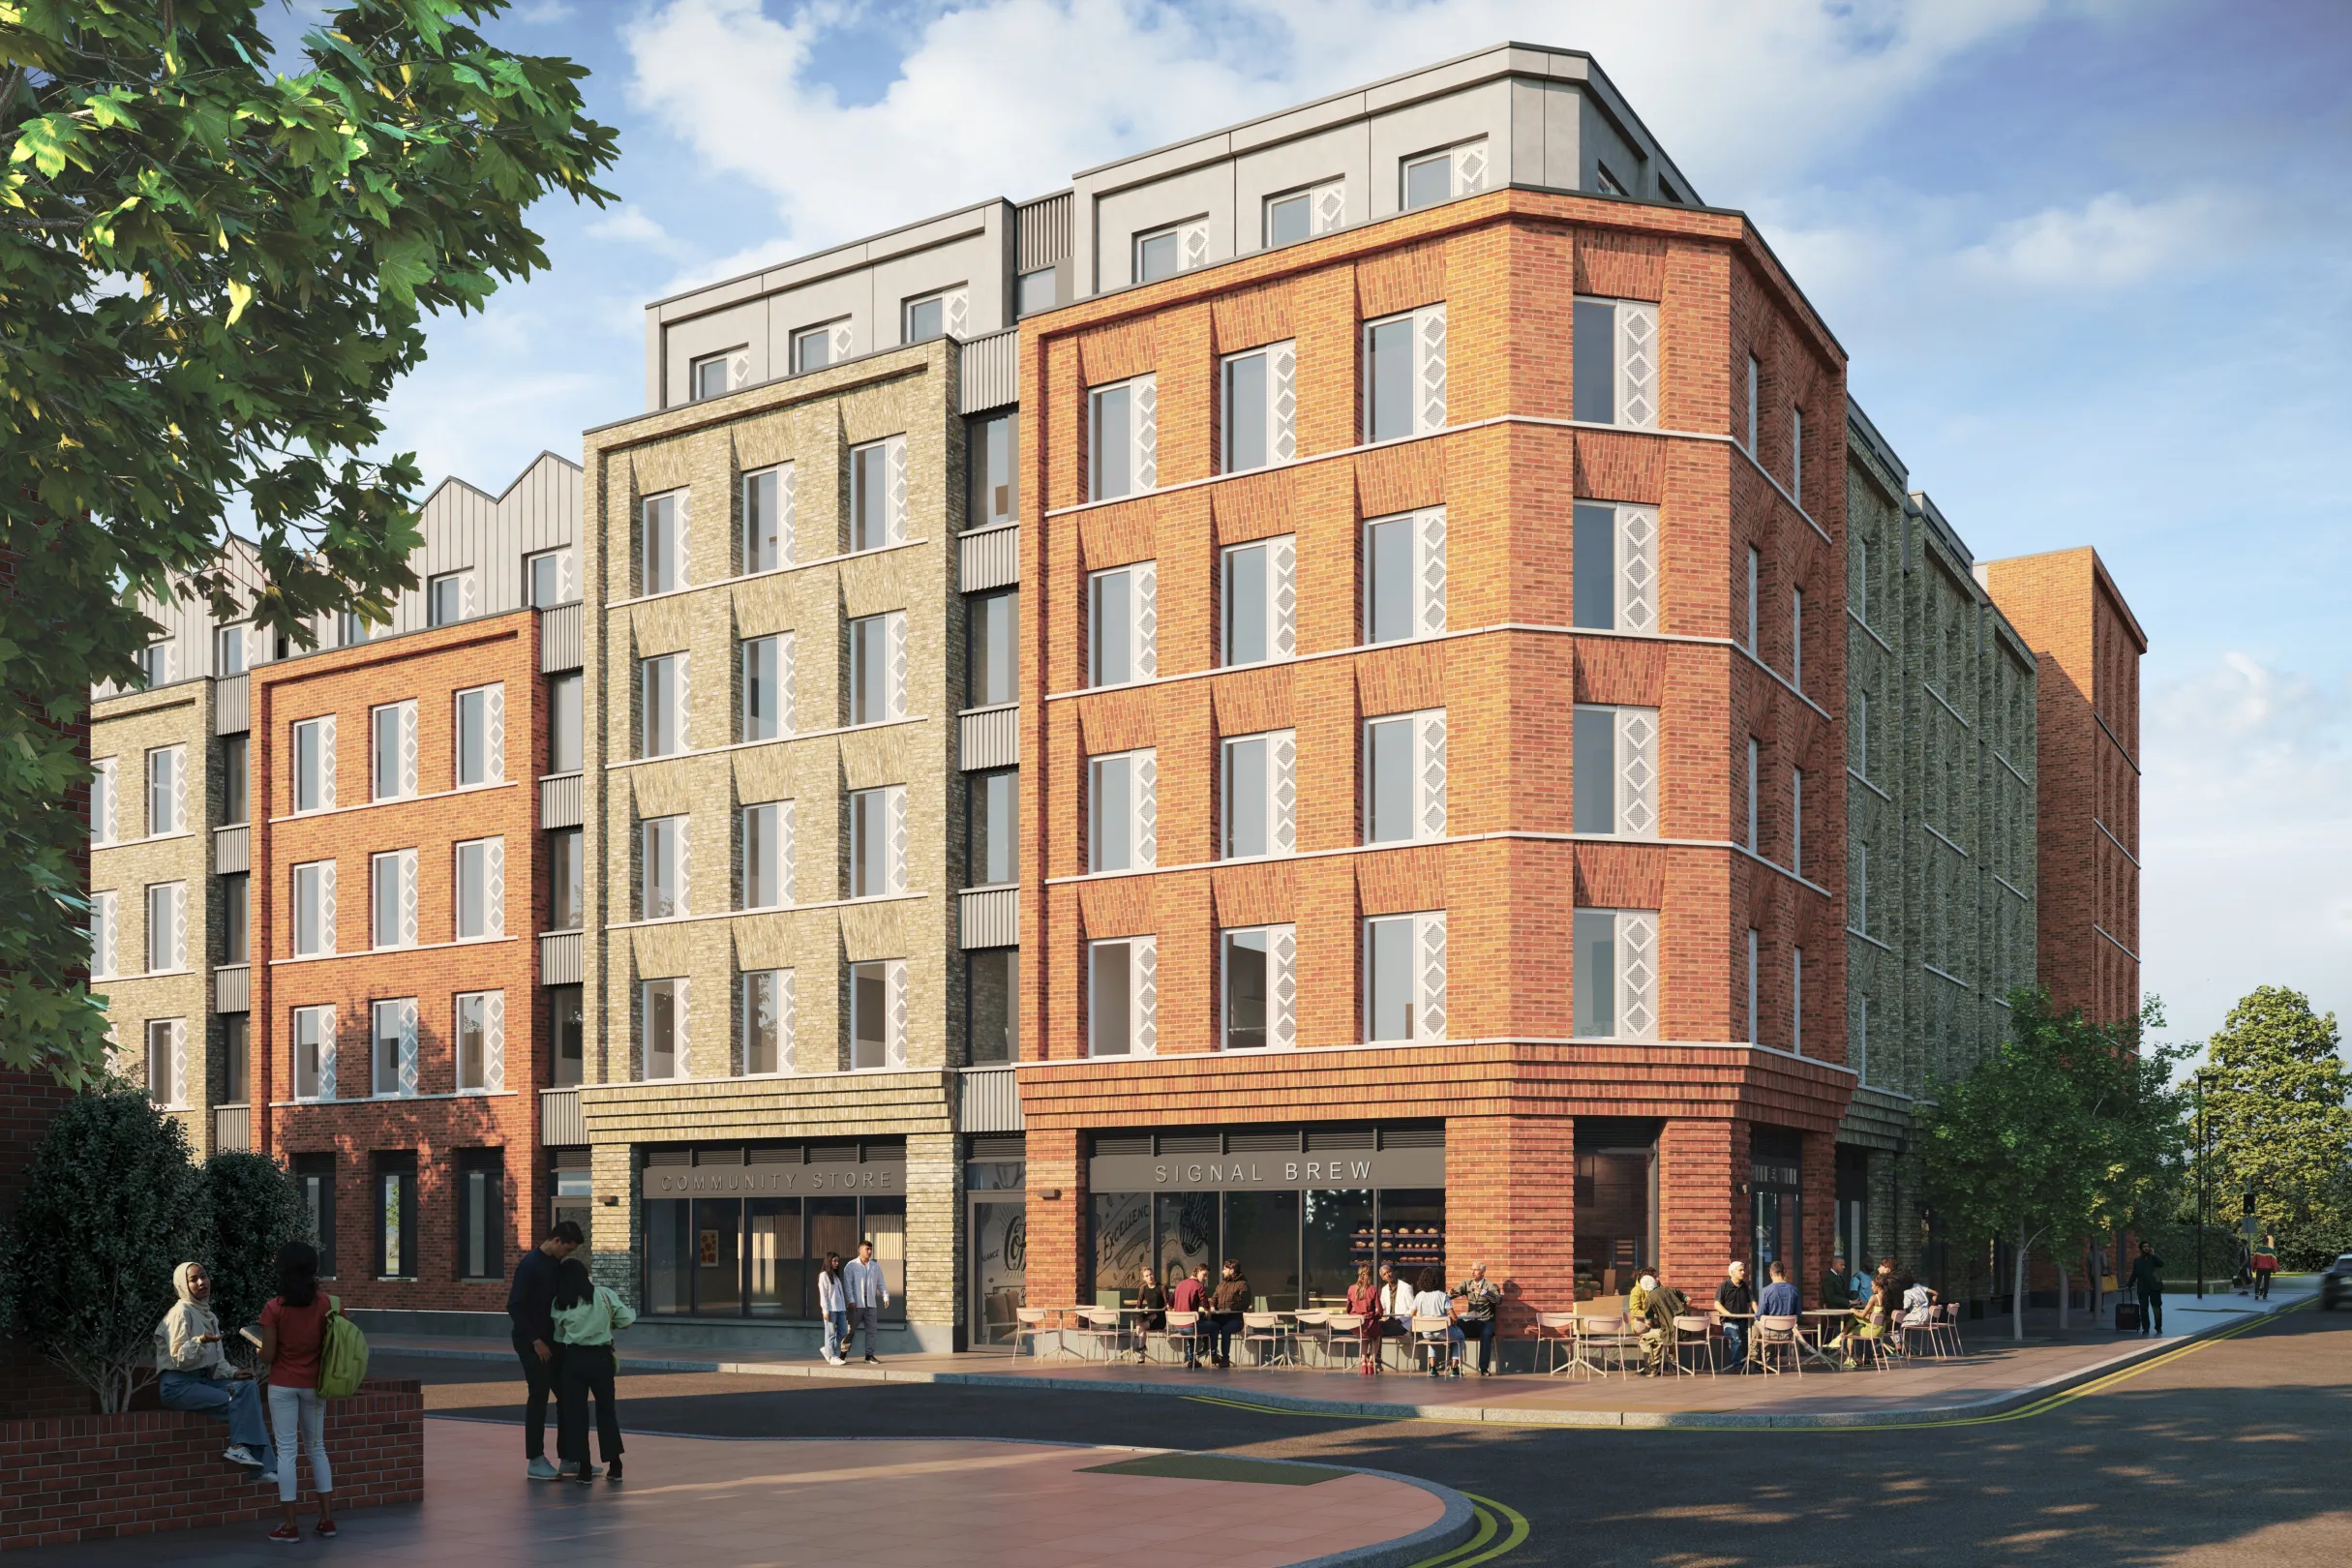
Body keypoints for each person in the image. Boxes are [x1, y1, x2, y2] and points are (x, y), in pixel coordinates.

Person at [154, 1261, 275, 1479]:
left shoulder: (208, 1315)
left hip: (202, 1380)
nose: (202, 1282)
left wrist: (233, 1373)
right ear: (183, 1285)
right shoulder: (180, 1312)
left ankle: (253, 1460)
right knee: (241, 1404)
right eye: (193, 1280)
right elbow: (178, 1357)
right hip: (177, 1385)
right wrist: (200, 1341)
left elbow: (217, 1361)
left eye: (204, 1276)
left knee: (248, 1388)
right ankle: (253, 1461)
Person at [256, 1241, 337, 1543]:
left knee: (287, 1453)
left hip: (282, 1384)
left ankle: (289, 1526)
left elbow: (268, 1356)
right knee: (317, 1449)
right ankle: (326, 1520)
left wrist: (258, 1348)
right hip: (315, 1384)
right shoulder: (327, 1304)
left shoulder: (274, 1307)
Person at [506, 1219, 583, 1481]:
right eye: (567, 1249)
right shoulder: (530, 1266)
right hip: (532, 1343)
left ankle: (569, 1458)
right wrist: (535, 1340)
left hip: (554, 1342)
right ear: (557, 1240)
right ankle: (535, 1460)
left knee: (567, 1396)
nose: (567, 1255)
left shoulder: (555, 1264)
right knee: (538, 1397)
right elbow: (515, 1306)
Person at [552, 1256, 635, 1483]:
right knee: (606, 1411)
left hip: (573, 1359)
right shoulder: (604, 1295)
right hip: (601, 1358)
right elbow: (626, 1321)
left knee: (576, 1414)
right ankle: (615, 1464)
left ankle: (585, 1468)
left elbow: (559, 1335)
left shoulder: (560, 1302)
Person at [1450, 1262, 1504, 1375]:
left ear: (1483, 1272)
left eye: (1475, 1270)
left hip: (1486, 1322)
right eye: (1472, 1269)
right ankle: (1454, 1365)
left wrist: (1482, 1292)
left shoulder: (1490, 1285)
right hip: (1471, 1322)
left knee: (1486, 1334)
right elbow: (1453, 1293)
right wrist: (1451, 1293)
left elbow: (1498, 1300)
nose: (1472, 1272)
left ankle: (1483, 1368)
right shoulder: (1467, 1283)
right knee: (1454, 1326)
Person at [843, 1238, 890, 1364]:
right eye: (867, 1249)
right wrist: (851, 1300)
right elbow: (847, 1285)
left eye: (870, 1249)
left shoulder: (875, 1266)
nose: (869, 1251)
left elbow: (881, 1283)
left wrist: (885, 1296)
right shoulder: (851, 1265)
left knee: (872, 1330)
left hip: (871, 1303)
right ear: (860, 1249)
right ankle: (843, 1354)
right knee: (850, 1330)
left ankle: (869, 1355)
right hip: (856, 1303)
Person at [1410, 1267, 1463, 1377]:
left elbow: (1412, 1314)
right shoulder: (1442, 1296)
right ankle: (1454, 1368)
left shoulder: (1419, 1295)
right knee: (1460, 1337)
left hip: (1426, 1332)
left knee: (1432, 1339)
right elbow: (1454, 1317)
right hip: (1443, 1332)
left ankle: (1433, 1368)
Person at [1207, 1259, 1251, 1370]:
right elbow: (1214, 1298)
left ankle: (1225, 1359)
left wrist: (1230, 1309)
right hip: (1220, 1317)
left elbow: (1245, 1303)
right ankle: (1213, 1355)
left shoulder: (1243, 1284)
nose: (1222, 1271)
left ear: (1232, 1270)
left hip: (1235, 1319)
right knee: (1210, 1326)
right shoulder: (1222, 1284)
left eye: (1225, 1269)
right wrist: (1212, 1306)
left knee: (1225, 1329)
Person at [1714, 1260, 1757, 1372]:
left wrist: (1758, 1315)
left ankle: (1754, 1364)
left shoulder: (1745, 1286)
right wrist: (1728, 1314)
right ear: (1732, 1272)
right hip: (1729, 1322)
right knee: (1736, 1338)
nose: (1743, 1272)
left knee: (1754, 1337)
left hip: (1744, 1322)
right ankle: (1737, 1366)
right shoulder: (1723, 1286)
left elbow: (1753, 1301)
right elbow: (1717, 1304)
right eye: (1740, 1270)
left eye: (1743, 1270)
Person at [1344, 1263, 1384, 1374]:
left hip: (1356, 1325)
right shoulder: (1372, 1289)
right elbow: (1379, 1310)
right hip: (1369, 1323)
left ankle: (1363, 1361)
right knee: (1377, 1335)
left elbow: (1348, 1308)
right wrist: (1377, 1316)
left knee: (1364, 1337)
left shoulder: (1351, 1289)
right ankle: (1371, 1361)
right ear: (1370, 1275)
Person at [1168, 1263, 1210, 1369]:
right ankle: (1211, 1354)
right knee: (1214, 1326)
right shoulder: (1198, 1285)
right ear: (1198, 1271)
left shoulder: (1180, 1284)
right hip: (1191, 1327)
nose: (1205, 1278)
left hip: (1178, 1327)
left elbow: (1169, 1306)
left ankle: (1191, 1359)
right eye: (1204, 1275)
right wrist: (1208, 1313)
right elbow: (1206, 1305)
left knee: (1191, 1328)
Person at [816, 1252, 849, 1366]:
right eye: (834, 1261)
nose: (836, 1263)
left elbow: (839, 1294)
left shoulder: (835, 1276)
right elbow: (823, 1294)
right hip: (830, 1309)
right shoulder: (823, 1275)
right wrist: (825, 1310)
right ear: (828, 1261)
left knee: (843, 1331)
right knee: (830, 1333)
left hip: (840, 1308)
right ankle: (832, 1356)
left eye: (837, 1261)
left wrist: (843, 1307)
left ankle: (827, 1349)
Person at [2129, 1242, 2166, 1337]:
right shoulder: (2137, 1261)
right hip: (2143, 1288)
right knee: (2143, 1310)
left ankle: (2158, 1327)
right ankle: (2146, 1328)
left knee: (2157, 1309)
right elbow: (2134, 1274)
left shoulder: (2153, 1259)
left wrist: (2153, 1255)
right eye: (2144, 1247)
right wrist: (2129, 1285)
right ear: (2141, 1249)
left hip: (2155, 1288)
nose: (2146, 1248)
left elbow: (2161, 1264)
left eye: (2148, 1246)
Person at [1132, 1268, 1168, 1364]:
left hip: (1159, 1317)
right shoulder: (1143, 1288)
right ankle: (1142, 1349)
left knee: (1140, 1327)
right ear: (1144, 1278)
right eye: (1147, 1276)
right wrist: (1137, 1309)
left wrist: (1159, 1312)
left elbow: (1167, 1304)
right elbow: (1139, 1305)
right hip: (1149, 1315)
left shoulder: (1162, 1287)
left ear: (1153, 1274)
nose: (1150, 1277)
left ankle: (1141, 1350)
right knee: (1139, 1322)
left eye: (1151, 1274)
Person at [2252, 1236, 2277, 1302]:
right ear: (2267, 1242)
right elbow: (2274, 1261)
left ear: (2262, 1242)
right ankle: (2265, 1295)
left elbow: (2253, 1260)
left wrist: (2253, 1268)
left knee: (2258, 1282)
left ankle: (2256, 1294)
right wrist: (2274, 1270)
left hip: (2259, 1268)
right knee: (2266, 1282)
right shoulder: (2271, 1251)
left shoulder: (2258, 1250)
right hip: (2267, 1269)